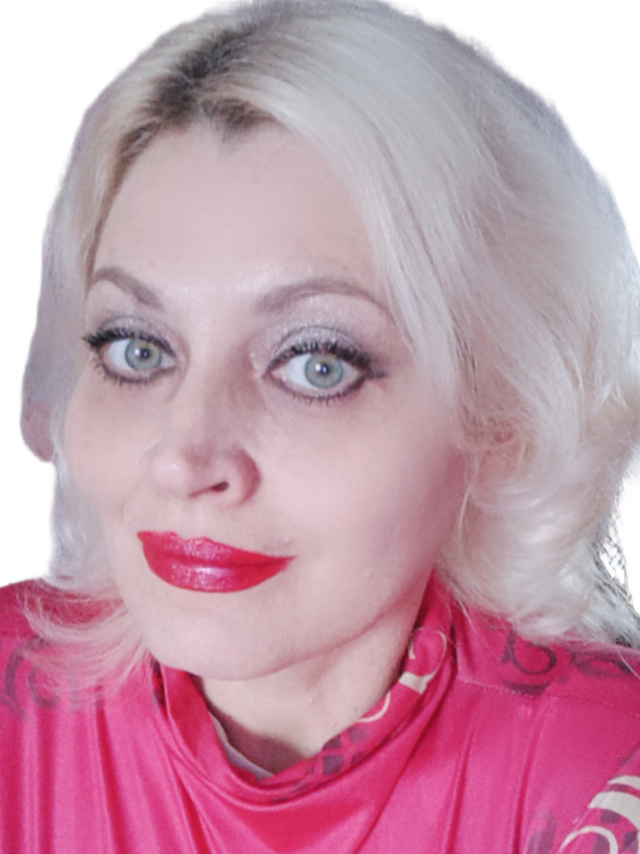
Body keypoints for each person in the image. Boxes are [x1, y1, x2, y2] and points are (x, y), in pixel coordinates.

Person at [4, 1, 639, 851]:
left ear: (502, 417)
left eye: (316, 364)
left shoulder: (605, 772)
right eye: (137, 349)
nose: (184, 457)